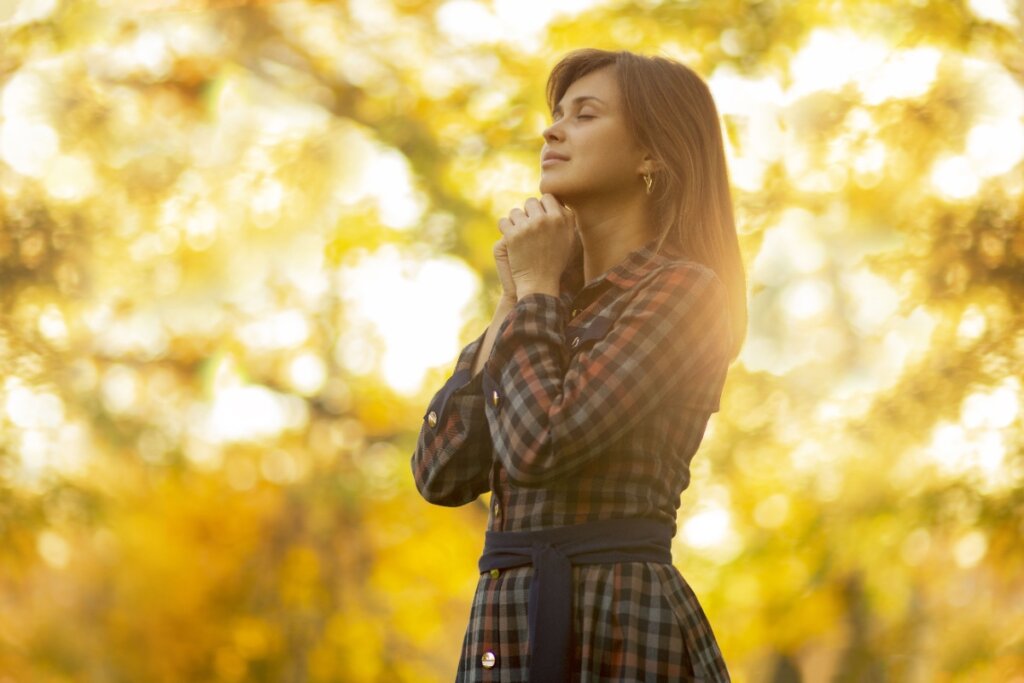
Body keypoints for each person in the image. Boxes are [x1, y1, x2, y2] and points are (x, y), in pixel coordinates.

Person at [411, 48, 747, 682]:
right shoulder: (543, 304)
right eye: (557, 113)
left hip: (617, 620)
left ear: (653, 154)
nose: (552, 129)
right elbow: (439, 473)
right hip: (503, 626)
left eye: (585, 115)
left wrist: (533, 289)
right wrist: (515, 298)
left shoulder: (685, 293)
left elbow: (542, 443)